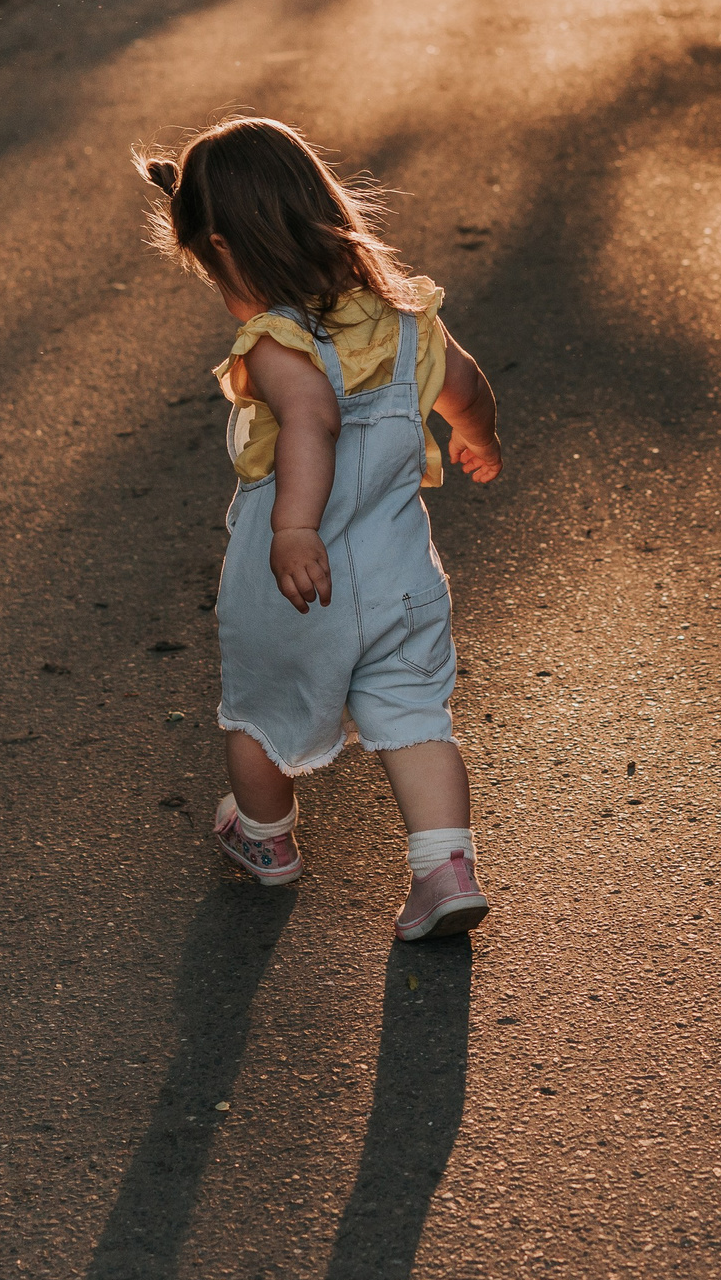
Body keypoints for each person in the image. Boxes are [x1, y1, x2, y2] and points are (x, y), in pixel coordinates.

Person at [140, 117, 505, 941]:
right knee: (414, 717)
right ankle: (445, 868)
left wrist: (294, 527)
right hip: (404, 578)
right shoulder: (406, 318)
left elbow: (312, 416)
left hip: (306, 585)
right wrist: (476, 435)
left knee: (262, 713)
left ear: (225, 247)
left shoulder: (274, 343)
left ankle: (265, 839)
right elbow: (470, 386)